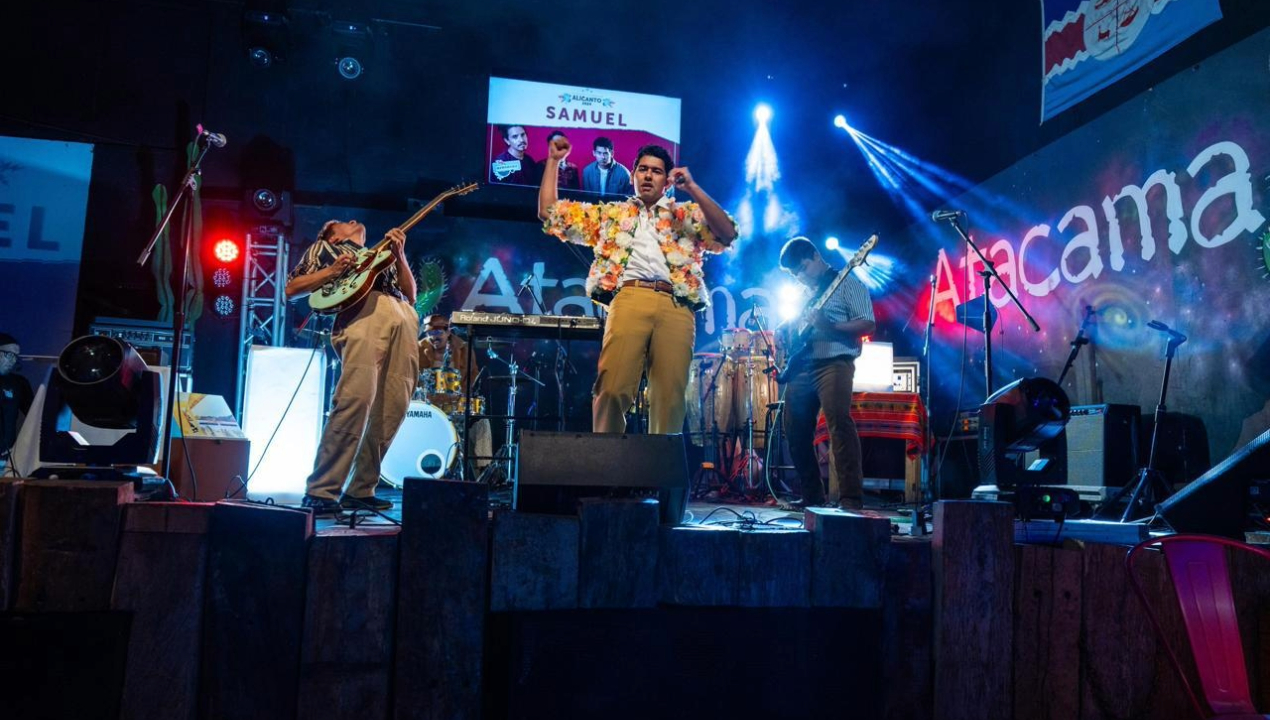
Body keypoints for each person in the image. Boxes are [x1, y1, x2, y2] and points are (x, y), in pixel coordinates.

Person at [539, 137, 737, 434]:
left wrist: (693, 188)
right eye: (642, 169)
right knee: (612, 388)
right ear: (632, 176)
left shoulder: (685, 216)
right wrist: (554, 161)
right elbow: (549, 213)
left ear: (667, 181)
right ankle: (606, 462)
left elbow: (728, 233)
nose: (647, 175)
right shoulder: (612, 215)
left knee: (669, 397)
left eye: (656, 171)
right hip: (629, 297)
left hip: (676, 305)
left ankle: (659, 464)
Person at [285, 220, 419, 515]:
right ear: (332, 236)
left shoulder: (380, 254)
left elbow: (411, 295)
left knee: (392, 408)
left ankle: (360, 489)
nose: (355, 222)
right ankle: (322, 490)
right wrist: (332, 271)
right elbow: (292, 287)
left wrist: (399, 256)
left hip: (403, 315)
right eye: (345, 223)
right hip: (365, 312)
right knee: (355, 399)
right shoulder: (324, 248)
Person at [775, 237, 876, 511]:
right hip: (802, 366)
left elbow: (868, 323)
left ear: (816, 256)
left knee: (838, 425)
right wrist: (782, 331)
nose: (801, 276)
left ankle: (850, 498)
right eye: (795, 274)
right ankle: (812, 497)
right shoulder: (802, 293)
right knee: (794, 430)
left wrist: (830, 326)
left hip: (834, 362)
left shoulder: (848, 283)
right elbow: (796, 325)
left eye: (803, 268)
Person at [417, 313, 492, 471]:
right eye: (430, 333)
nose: (433, 337)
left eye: (438, 332)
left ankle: (483, 472)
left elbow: (473, 377)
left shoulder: (464, 348)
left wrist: (463, 395)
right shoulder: (418, 348)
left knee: (482, 424)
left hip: (457, 404)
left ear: (448, 331)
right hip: (429, 408)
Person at [0, 333, 34, 464]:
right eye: (9, 355)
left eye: (16, 356)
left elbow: (34, 414)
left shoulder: (18, 383)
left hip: (5, 458)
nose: (13, 361)